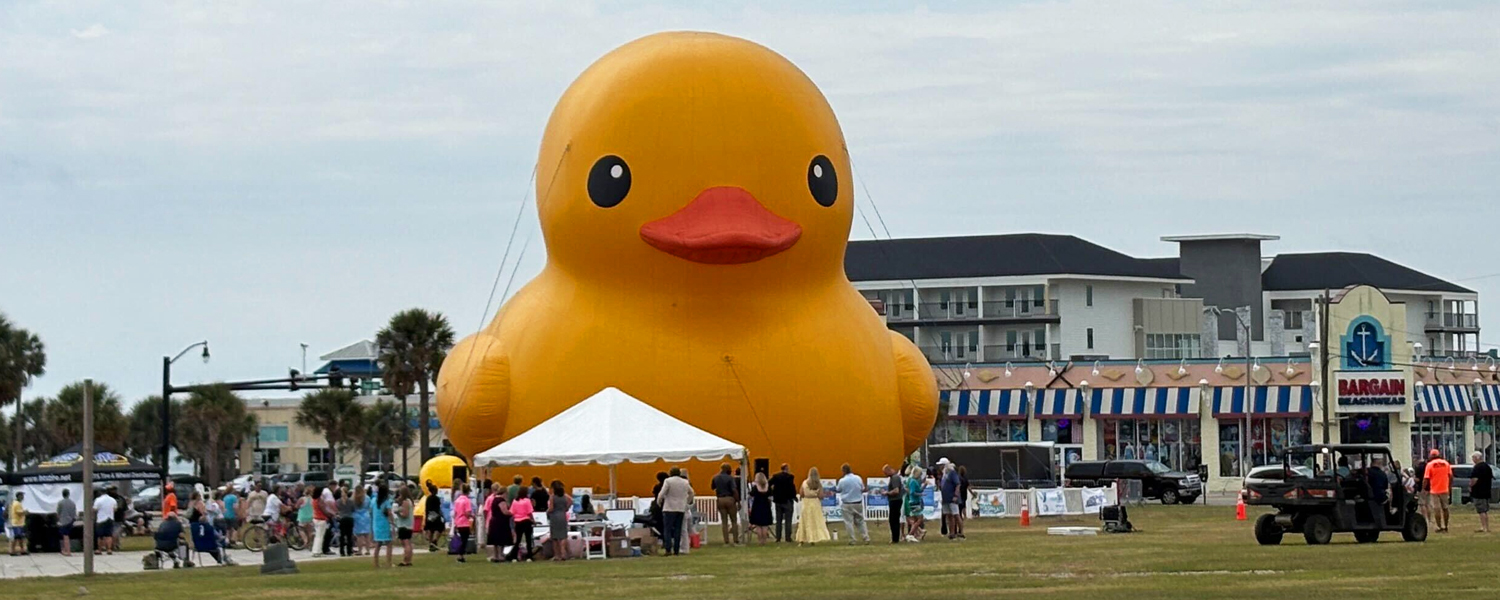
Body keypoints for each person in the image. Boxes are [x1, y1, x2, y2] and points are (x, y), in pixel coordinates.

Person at [656, 468, 692, 556]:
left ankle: (668, 549)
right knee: (678, 530)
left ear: (670, 473)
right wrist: (687, 501)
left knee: (667, 529)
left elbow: (662, 493)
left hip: (669, 508)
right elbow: (692, 492)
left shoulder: (668, 481)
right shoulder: (685, 482)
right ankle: (676, 550)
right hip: (680, 508)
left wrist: (659, 501)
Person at [793, 467, 830, 546]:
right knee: (815, 521)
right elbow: (821, 496)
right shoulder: (818, 485)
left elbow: (801, 493)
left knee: (804, 521)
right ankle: (813, 539)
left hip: (806, 503)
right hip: (815, 503)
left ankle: (801, 540)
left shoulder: (804, 483)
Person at [835, 463, 870, 544]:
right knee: (861, 521)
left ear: (843, 471)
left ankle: (852, 539)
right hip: (858, 502)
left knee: (848, 522)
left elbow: (838, 489)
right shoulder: (858, 478)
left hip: (847, 503)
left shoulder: (842, 480)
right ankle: (866, 537)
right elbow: (862, 488)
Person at [711, 463, 741, 546]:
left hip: (720, 499)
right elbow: (734, 490)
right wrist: (738, 501)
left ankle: (726, 541)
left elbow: (713, 487)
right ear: (728, 470)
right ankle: (735, 540)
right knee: (734, 520)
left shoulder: (715, 477)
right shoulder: (730, 478)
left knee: (724, 521)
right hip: (729, 499)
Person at [1423, 448, 1453, 533]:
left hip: (1434, 490)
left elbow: (1426, 479)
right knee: (1445, 508)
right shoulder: (1446, 464)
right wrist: (1449, 486)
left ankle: (1439, 526)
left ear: (1431, 456)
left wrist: (1424, 488)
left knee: (1437, 509)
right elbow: (1450, 476)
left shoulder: (1430, 465)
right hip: (1444, 489)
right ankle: (1446, 526)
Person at [484, 483, 513, 563]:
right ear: (504, 493)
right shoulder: (501, 500)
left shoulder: (494, 499)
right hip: (500, 522)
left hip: (494, 521)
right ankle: (500, 556)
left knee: (495, 541)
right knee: (501, 540)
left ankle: (495, 555)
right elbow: (505, 512)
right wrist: (513, 512)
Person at [508, 486, 536, 562]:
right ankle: (529, 556)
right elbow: (529, 512)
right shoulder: (527, 501)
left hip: (517, 521)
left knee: (518, 540)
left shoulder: (515, 501)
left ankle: (514, 556)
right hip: (526, 520)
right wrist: (533, 520)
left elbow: (512, 512)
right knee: (528, 539)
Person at [546, 480, 571, 561]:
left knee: (555, 537)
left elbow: (551, 508)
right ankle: (564, 553)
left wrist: (547, 512)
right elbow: (571, 501)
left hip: (554, 517)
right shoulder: (565, 496)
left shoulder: (552, 496)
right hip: (563, 516)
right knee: (563, 535)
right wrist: (566, 508)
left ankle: (557, 555)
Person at [746, 472, 773, 544]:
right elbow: (770, 496)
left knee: (758, 525)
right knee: (765, 525)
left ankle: (760, 540)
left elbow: (751, 495)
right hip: (766, 506)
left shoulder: (755, 487)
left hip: (757, 506)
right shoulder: (768, 487)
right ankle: (764, 540)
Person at [371, 486, 394, 568]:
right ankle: (389, 563)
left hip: (376, 524)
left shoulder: (373, 500)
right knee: (389, 544)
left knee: (378, 544)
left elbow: (371, 511)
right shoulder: (386, 501)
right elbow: (389, 513)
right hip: (385, 524)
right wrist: (392, 522)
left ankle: (376, 563)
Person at [1471, 451, 1492, 533]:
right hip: (1487, 491)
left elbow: (1474, 479)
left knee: (1481, 510)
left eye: (1473, 458)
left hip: (1479, 492)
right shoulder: (1487, 467)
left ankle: (1484, 528)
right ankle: (1486, 526)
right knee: (1485, 510)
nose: (1473, 460)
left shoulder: (1477, 467)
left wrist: (1471, 485)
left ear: (1477, 458)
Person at [881, 465, 903, 544]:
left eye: (885, 473)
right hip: (895, 500)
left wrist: (887, 493)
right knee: (894, 520)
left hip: (895, 500)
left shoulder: (895, 478)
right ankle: (895, 537)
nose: (885, 475)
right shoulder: (894, 478)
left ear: (888, 470)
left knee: (894, 520)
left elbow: (896, 490)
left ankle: (895, 538)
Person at [453, 483, 474, 563]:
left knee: (461, 539)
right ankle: (460, 555)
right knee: (464, 540)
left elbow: (455, 512)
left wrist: (455, 522)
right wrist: (472, 516)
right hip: (464, 522)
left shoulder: (457, 500)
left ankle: (460, 554)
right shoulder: (467, 500)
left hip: (458, 521)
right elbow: (467, 512)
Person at [904, 465, 926, 542]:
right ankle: (910, 534)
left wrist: (924, 486)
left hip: (914, 501)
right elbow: (912, 492)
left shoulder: (914, 481)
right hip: (914, 502)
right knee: (919, 519)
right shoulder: (913, 481)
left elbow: (919, 490)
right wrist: (921, 494)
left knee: (915, 520)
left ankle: (913, 534)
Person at [940, 463, 961, 540]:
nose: (940, 467)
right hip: (946, 499)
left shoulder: (952, 473)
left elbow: (957, 484)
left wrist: (956, 495)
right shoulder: (944, 474)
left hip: (952, 498)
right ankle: (951, 533)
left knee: (956, 514)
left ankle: (961, 532)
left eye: (941, 465)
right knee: (949, 516)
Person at [93, 489, 117, 555]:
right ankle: (109, 549)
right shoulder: (112, 500)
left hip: (101, 519)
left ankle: (99, 549)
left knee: (100, 536)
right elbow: (115, 509)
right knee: (109, 535)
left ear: (100, 493)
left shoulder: (98, 500)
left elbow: (95, 509)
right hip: (110, 518)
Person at [396, 485, 416, 566]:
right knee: (408, 543)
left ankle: (406, 560)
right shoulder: (410, 501)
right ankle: (409, 560)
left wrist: (398, 513)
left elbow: (405, 515)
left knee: (406, 543)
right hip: (409, 525)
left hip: (404, 525)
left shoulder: (405, 502)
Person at [423, 481, 444, 552]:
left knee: (430, 529)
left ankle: (430, 543)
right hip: (435, 515)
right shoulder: (437, 499)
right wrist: (441, 515)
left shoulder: (428, 498)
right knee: (439, 528)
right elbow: (438, 508)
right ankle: (434, 541)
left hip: (429, 515)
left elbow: (426, 508)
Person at [55, 488, 77, 557]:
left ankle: (68, 551)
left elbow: (58, 513)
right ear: (68, 494)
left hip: (63, 521)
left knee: (65, 536)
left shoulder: (60, 503)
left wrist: (58, 520)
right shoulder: (72, 503)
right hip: (71, 521)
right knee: (67, 536)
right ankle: (65, 550)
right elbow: (74, 513)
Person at [353, 485, 373, 556]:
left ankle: (360, 550)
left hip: (357, 516)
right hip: (366, 516)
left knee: (359, 535)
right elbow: (370, 507)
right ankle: (368, 550)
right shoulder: (367, 498)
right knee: (367, 535)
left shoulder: (354, 498)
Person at [336, 488, 356, 557]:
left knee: (342, 535)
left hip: (342, 518)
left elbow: (337, 509)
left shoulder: (338, 501)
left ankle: (342, 551)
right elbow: (353, 509)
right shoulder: (351, 501)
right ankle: (349, 551)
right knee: (349, 535)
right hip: (349, 518)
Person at [8, 491, 27, 556]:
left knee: (20, 537)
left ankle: (22, 550)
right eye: (22, 496)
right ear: (19, 496)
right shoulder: (17, 504)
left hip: (19, 523)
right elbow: (19, 512)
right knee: (16, 537)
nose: (23, 497)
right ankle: (12, 551)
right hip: (17, 523)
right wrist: (25, 512)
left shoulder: (16, 503)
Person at [956, 465, 971, 540]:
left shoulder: (958, 478)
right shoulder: (965, 479)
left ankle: (959, 530)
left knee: (957, 514)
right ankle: (960, 528)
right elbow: (969, 487)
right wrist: (972, 493)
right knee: (961, 511)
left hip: (959, 497)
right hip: (964, 496)